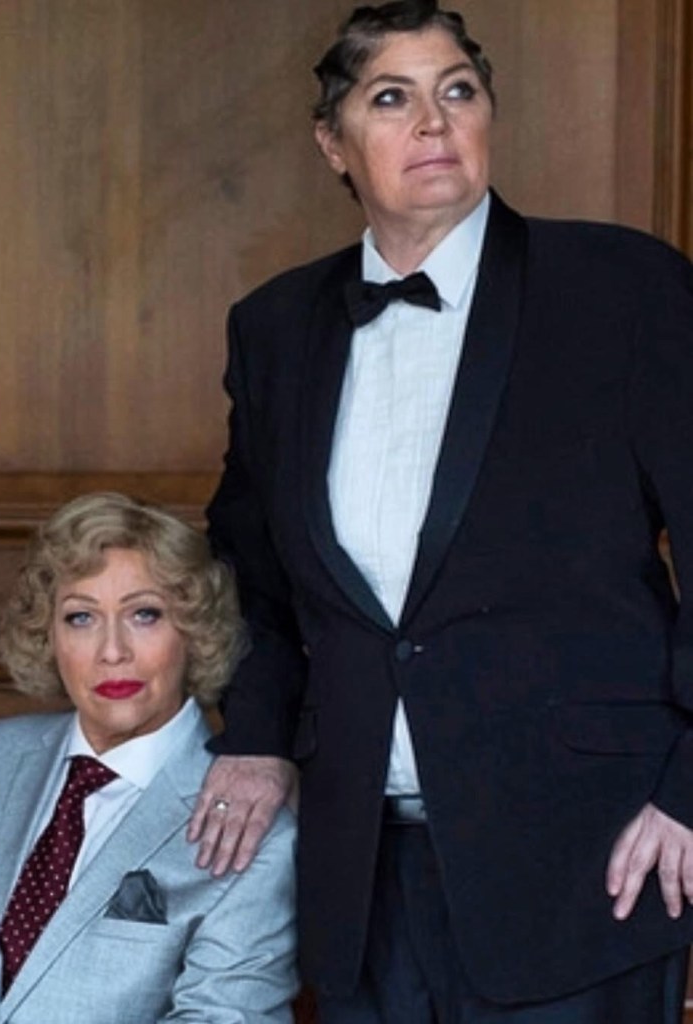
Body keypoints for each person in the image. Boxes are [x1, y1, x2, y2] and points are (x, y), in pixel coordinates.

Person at [188, 1, 693, 1021]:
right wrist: (255, 737)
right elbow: (253, 576)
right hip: (358, 874)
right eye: (391, 98)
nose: (433, 122)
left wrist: (691, 793)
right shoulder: (276, 327)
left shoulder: (623, 288)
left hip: (590, 864)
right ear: (332, 143)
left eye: (456, 90)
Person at [0, 492, 297, 1023]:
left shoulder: (252, 830)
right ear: (47, 634)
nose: (112, 650)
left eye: (144, 614)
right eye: (81, 617)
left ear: (194, 631)